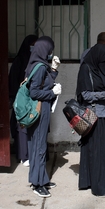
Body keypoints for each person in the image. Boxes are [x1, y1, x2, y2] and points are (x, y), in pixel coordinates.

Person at [76, 39, 105, 198]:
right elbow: (86, 95)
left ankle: (103, 182)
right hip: (92, 115)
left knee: (103, 151)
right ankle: (98, 187)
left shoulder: (103, 70)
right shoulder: (86, 69)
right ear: (97, 58)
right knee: (95, 151)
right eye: (104, 62)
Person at [26, 36, 61, 198]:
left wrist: (53, 70)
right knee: (39, 147)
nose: (51, 53)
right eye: (50, 50)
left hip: (42, 110)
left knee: (39, 146)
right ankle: (36, 183)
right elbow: (34, 93)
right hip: (39, 111)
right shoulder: (39, 67)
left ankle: (42, 178)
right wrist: (52, 92)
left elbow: (44, 83)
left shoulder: (39, 64)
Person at [8, 34, 38, 167]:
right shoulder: (19, 60)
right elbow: (13, 80)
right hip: (20, 99)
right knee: (20, 126)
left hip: (32, 99)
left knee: (30, 124)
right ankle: (22, 155)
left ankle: (29, 154)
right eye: (33, 44)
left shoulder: (34, 61)